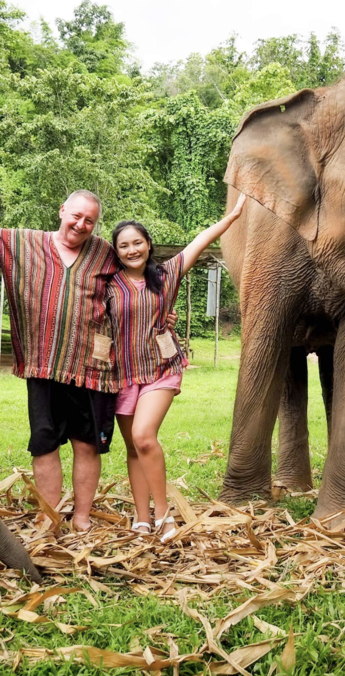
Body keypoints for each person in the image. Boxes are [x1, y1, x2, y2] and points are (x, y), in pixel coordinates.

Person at [0, 190, 119, 532]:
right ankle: (49, 516)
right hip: (43, 364)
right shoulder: (26, 242)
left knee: (86, 444)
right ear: (62, 210)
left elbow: (139, 279)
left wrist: (163, 312)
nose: (81, 224)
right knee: (44, 443)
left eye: (89, 220)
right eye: (76, 215)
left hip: (91, 368)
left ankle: (83, 519)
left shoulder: (106, 253)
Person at [108, 193, 247, 541]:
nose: (131, 250)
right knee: (132, 448)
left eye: (137, 242)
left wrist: (232, 216)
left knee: (144, 436)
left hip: (161, 368)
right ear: (116, 251)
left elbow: (199, 241)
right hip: (122, 374)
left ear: (148, 244)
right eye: (123, 245)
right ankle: (141, 518)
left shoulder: (166, 274)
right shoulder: (107, 284)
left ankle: (163, 515)